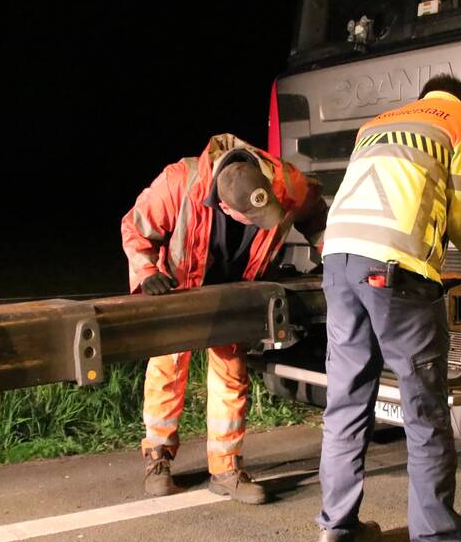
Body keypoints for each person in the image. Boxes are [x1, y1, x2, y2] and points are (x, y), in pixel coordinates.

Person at [315, 75, 461, 542]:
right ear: (460, 98)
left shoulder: (376, 124)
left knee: (347, 400)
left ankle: (337, 530)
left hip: (337, 260)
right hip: (395, 269)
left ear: (422, 96)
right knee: (424, 412)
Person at [121, 133, 327, 504]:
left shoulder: (286, 182)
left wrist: (330, 252)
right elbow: (135, 228)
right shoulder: (178, 182)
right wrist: (147, 270)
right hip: (180, 289)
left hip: (236, 294)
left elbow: (316, 213)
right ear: (222, 205)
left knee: (232, 375)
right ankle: (158, 458)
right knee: (167, 367)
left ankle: (226, 469)